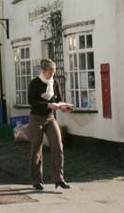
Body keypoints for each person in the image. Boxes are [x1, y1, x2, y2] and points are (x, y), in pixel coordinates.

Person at [28, 58, 71, 190]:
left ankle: (59, 178)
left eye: (53, 72)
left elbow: (59, 100)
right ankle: (37, 180)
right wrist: (48, 105)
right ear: (44, 71)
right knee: (37, 149)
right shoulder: (35, 83)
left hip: (50, 118)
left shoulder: (55, 82)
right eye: (50, 73)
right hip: (36, 118)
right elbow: (31, 101)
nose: (52, 75)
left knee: (58, 145)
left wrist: (63, 107)